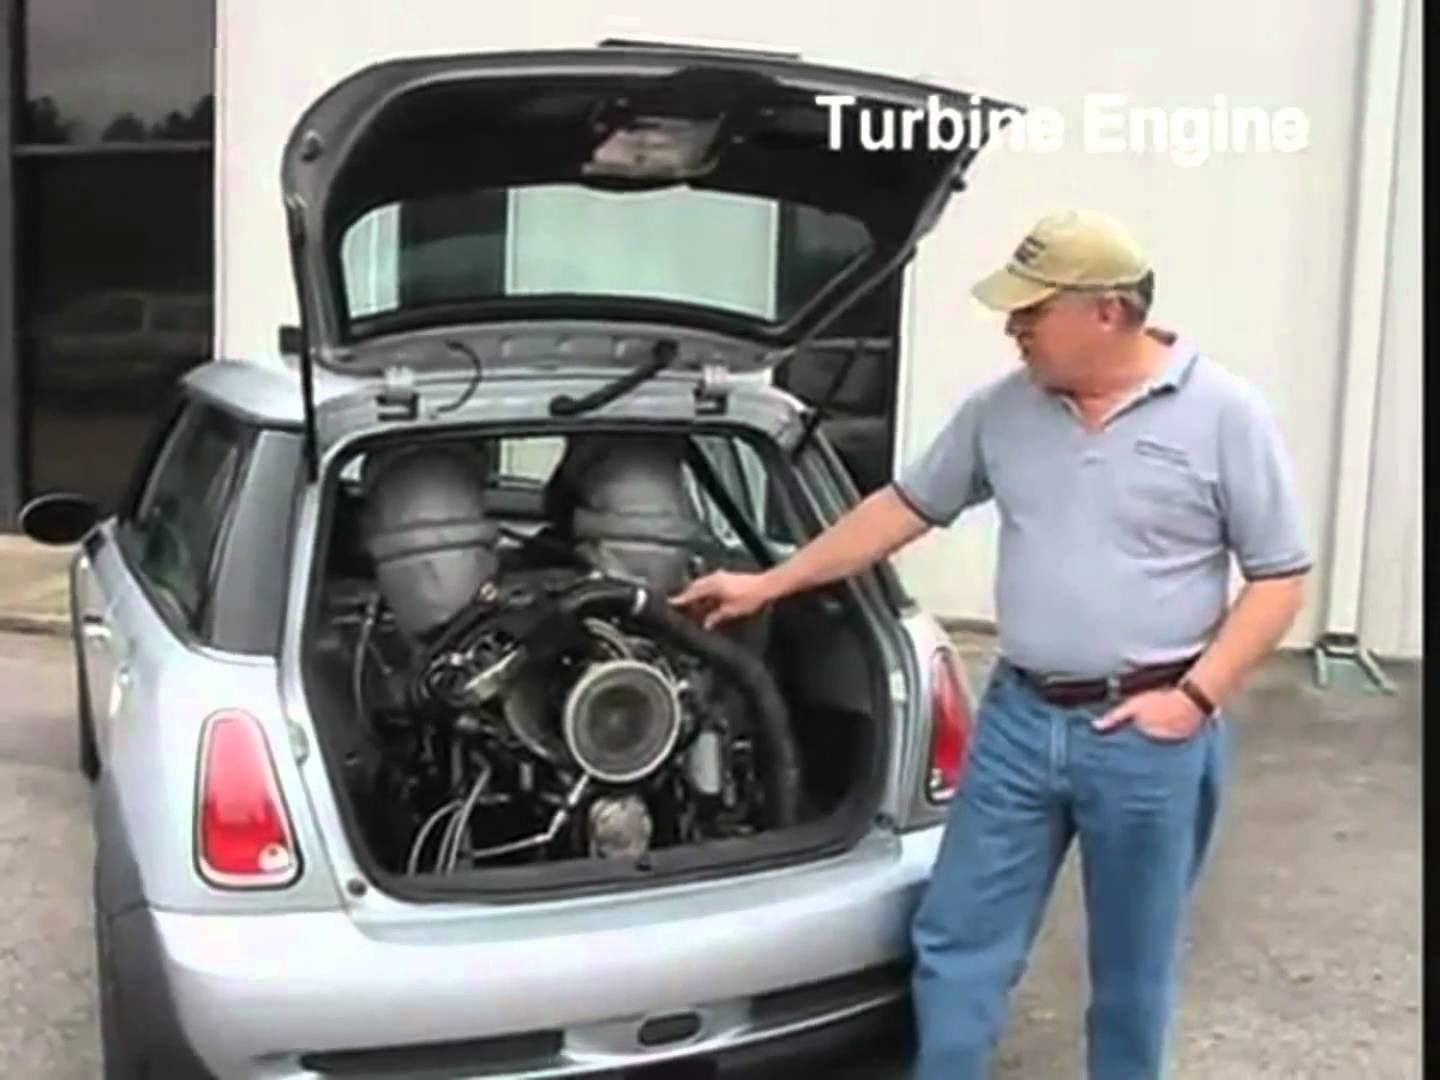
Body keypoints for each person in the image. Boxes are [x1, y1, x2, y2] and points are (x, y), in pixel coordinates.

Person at [670, 209, 1310, 1078]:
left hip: (1149, 735)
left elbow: (1279, 577)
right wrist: (769, 583)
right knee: (959, 939)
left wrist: (1194, 699)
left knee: (1133, 967)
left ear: (1108, 311)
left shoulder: (1225, 415)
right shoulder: (1002, 411)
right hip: (1019, 720)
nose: (1014, 329)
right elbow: (901, 509)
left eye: (1032, 311)